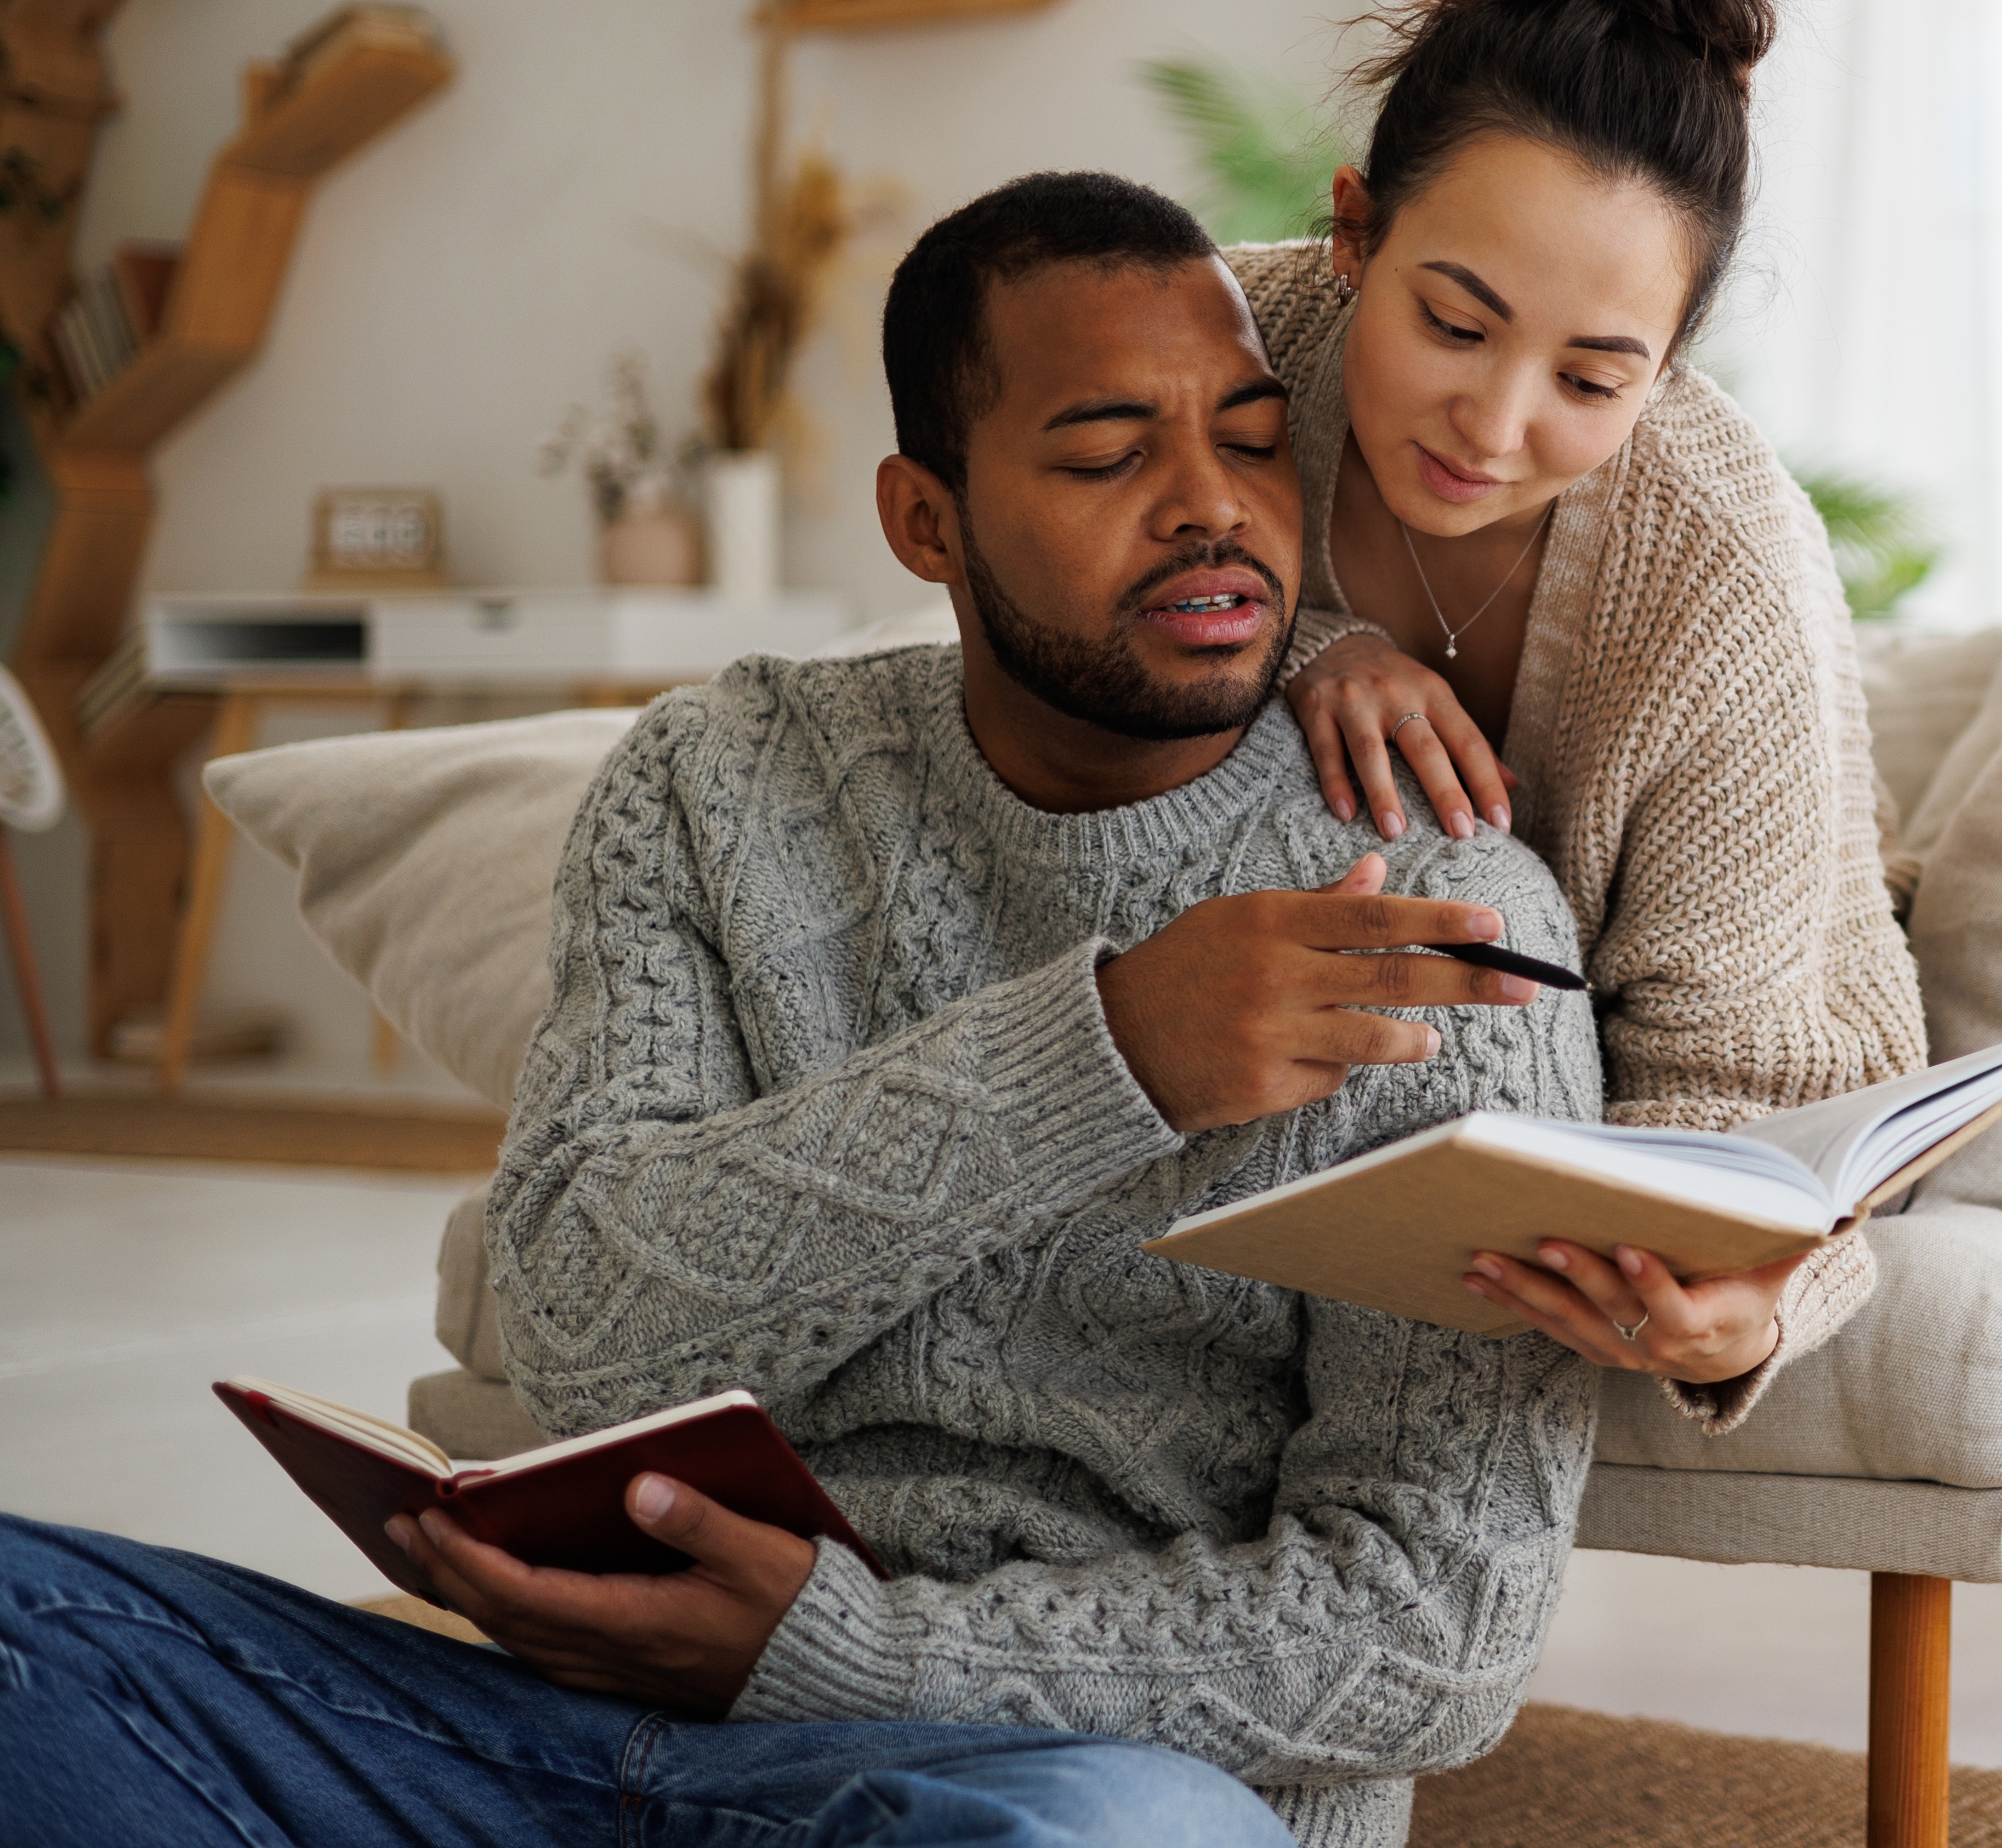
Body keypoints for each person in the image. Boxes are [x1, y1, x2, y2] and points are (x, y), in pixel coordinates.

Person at [0, 173, 1602, 1848]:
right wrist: (1106, 1051)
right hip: (559, 1732)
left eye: (1257, 441)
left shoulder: (1444, 921)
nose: (1212, 507)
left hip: (1043, 1787)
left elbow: (1437, 1636)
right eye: (1105, 453)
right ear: (927, 521)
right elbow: (578, 1331)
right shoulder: (715, 779)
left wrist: (832, 1655)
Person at [1239, 0, 1928, 1428]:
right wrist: (1304, 646)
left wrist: (1734, 1309)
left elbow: (1757, 1085)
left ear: (1672, 369)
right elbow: (1037, 582)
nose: (1492, 427)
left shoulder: (1721, 561)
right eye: (1454, 323)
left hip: (1740, 939)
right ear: (1354, 230)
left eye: (1594, 378)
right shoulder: (1220, 350)